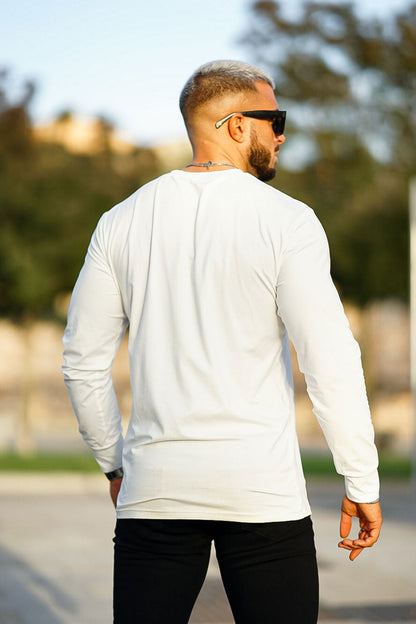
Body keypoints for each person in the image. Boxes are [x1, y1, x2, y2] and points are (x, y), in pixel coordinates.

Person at [62, 60, 382, 623]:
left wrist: (115, 466)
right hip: (263, 495)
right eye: (275, 120)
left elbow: (82, 363)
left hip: (156, 492)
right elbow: (329, 359)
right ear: (236, 125)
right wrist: (360, 478)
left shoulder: (120, 221)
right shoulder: (288, 221)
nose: (282, 135)